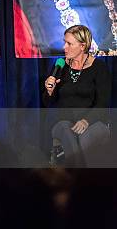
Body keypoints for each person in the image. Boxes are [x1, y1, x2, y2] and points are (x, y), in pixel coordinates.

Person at [43, 25, 112, 166]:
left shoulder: (99, 68)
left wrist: (86, 121)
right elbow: (48, 103)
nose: (64, 47)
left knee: (85, 138)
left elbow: (103, 103)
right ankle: (79, 179)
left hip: (94, 121)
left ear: (82, 46)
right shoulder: (60, 66)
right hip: (64, 121)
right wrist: (49, 91)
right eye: (64, 42)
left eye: (69, 43)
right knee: (67, 133)